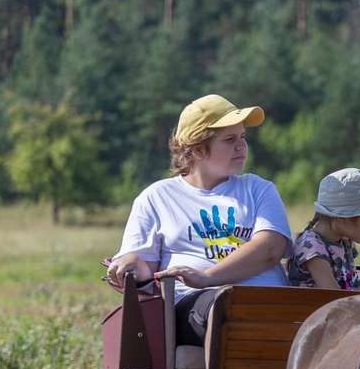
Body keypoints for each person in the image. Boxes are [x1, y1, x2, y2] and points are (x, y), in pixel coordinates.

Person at [106, 94, 293, 345]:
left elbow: (270, 249)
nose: (241, 147)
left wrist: (207, 277)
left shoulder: (259, 189)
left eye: (243, 138)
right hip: (196, 307)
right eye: (229, 140)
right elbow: (145, 271)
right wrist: (130, 262)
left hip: (266, 302)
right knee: (223, 308)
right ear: (197, 149)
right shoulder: (157, 197)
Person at [287, 167, 360, 292]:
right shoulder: (312, 249)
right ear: (340, 217)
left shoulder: (343, 240)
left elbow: (348, 284)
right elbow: (335, 296)